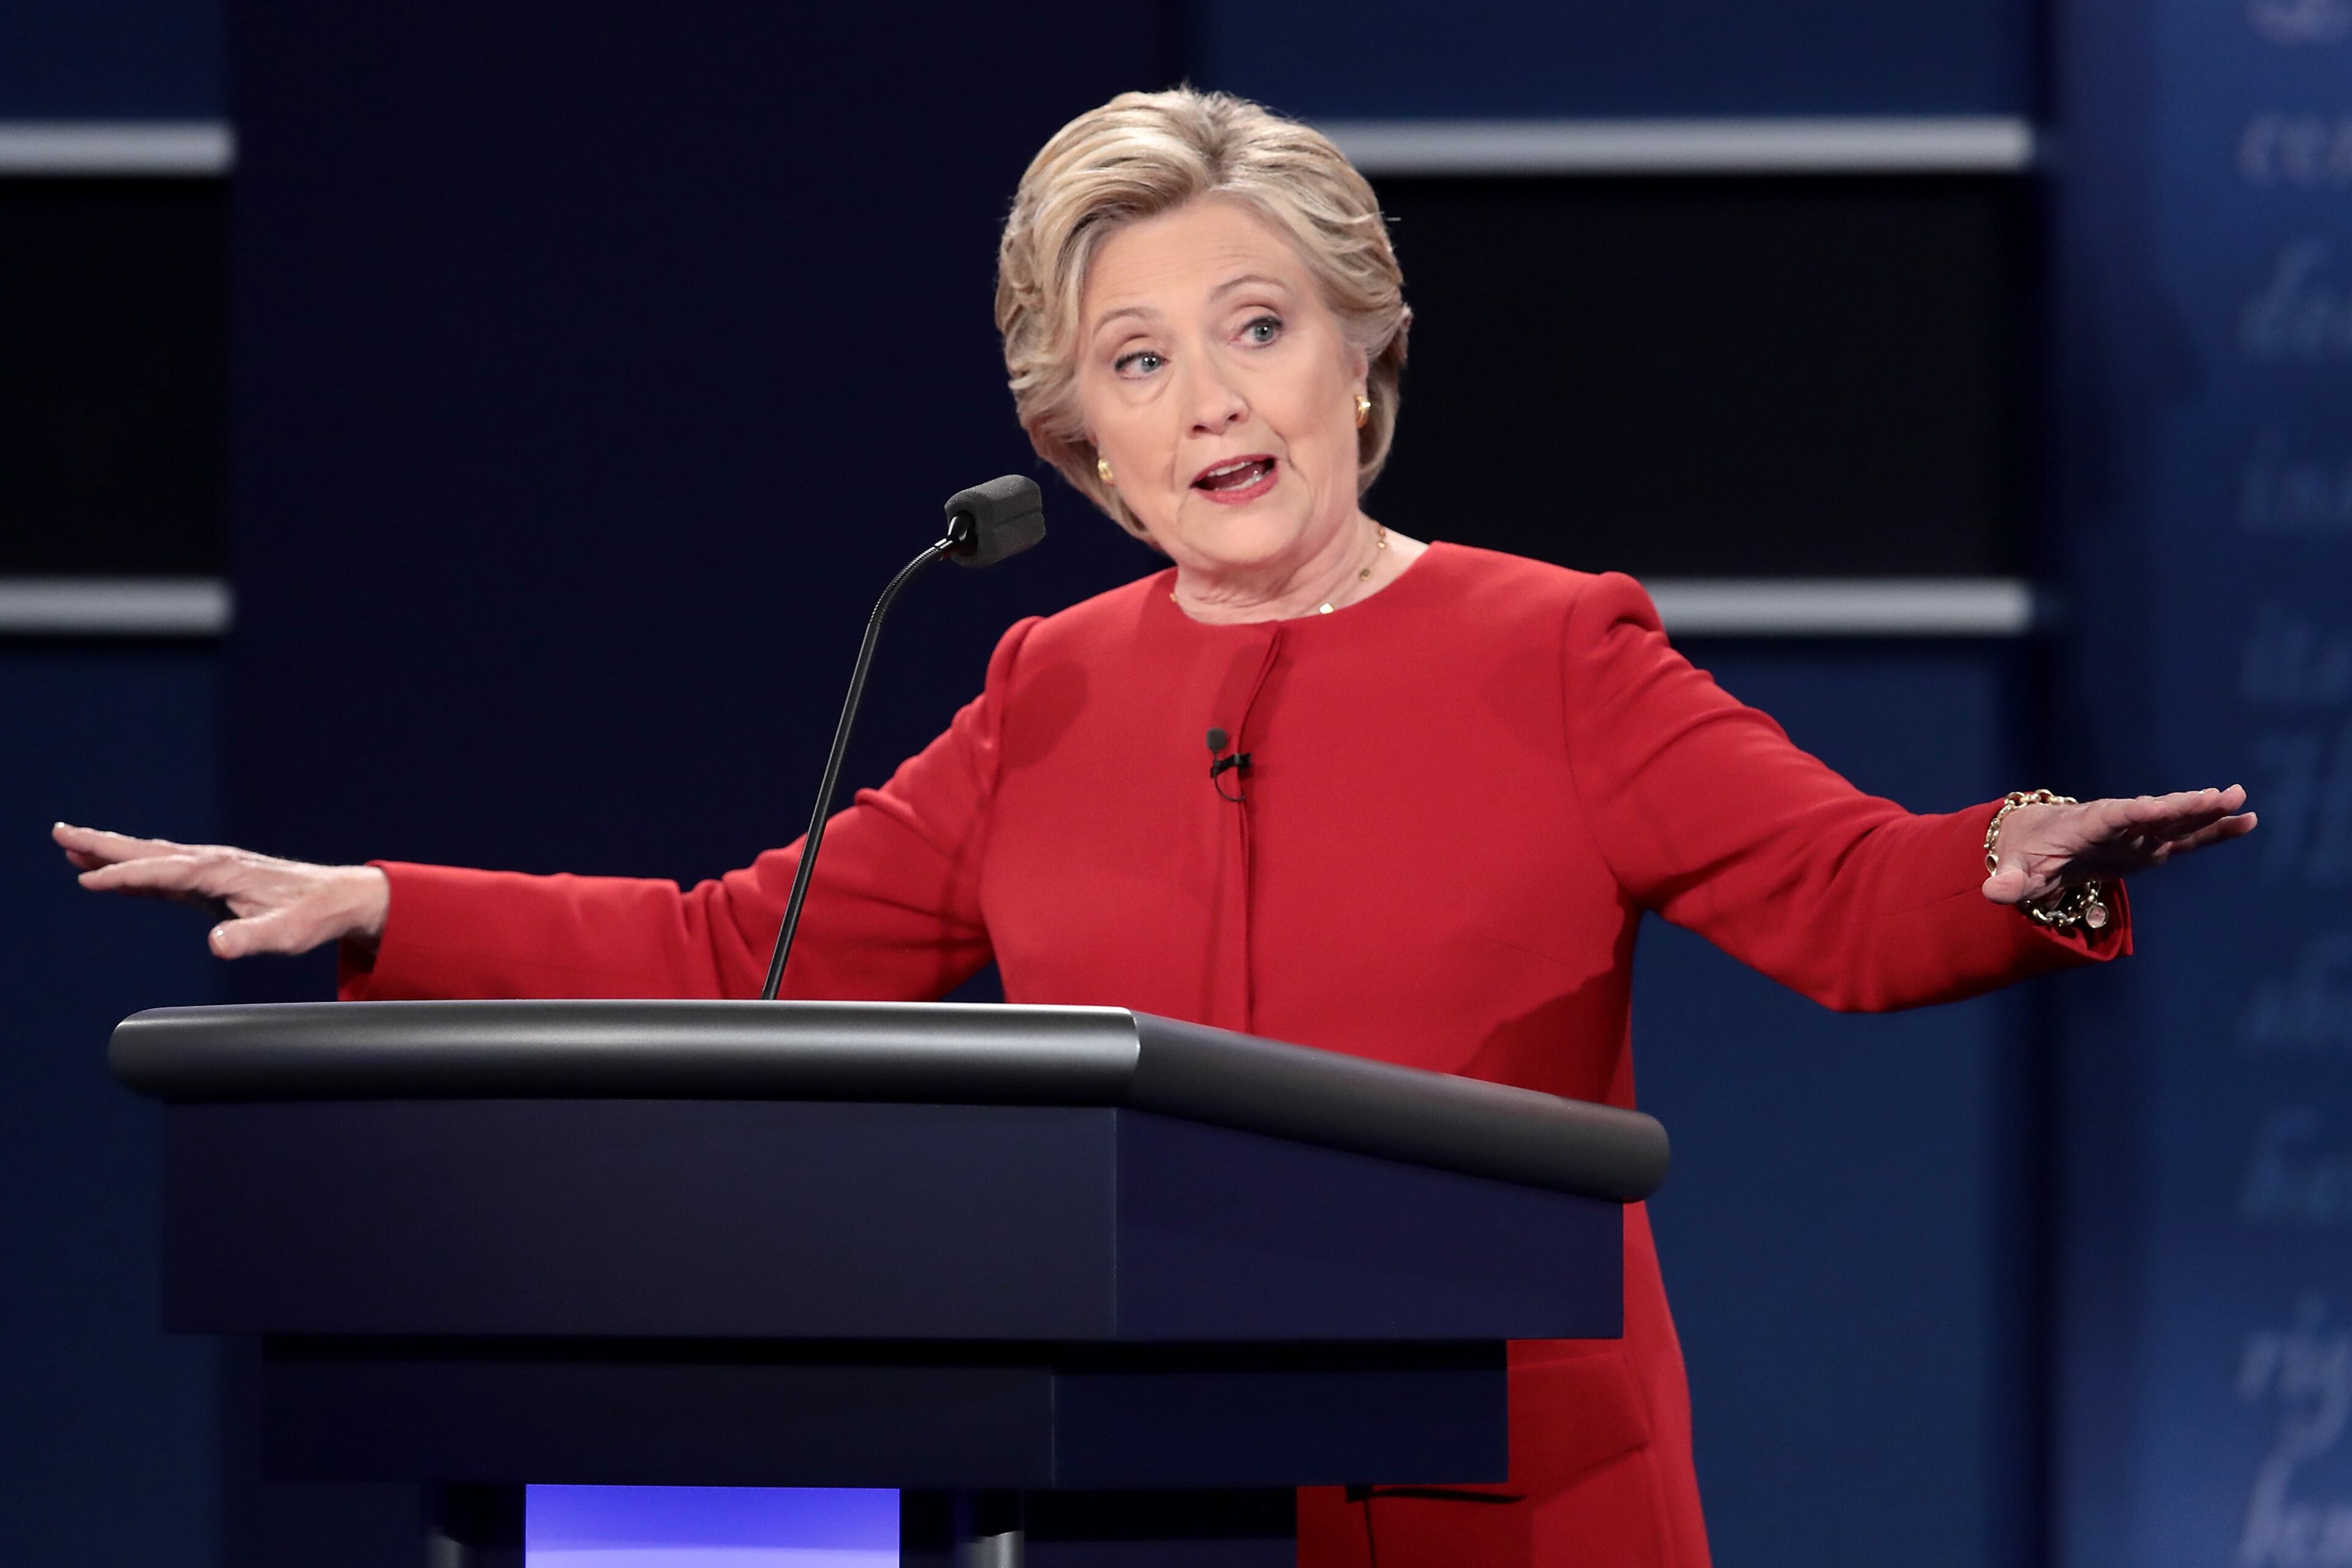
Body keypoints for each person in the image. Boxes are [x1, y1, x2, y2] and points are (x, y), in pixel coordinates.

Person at [58, 88, 2253, 1568]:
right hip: (1135, 1502)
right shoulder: (1047, 684)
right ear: (1075, 436)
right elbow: (757, 945)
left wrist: (2012, 854)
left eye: (1257, 329)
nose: (1208, 398)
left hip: (1511, 1493)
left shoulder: (1552, 650)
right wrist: (378, 904)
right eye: (1136, 359)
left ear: (1357, 364)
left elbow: (1842, 889)